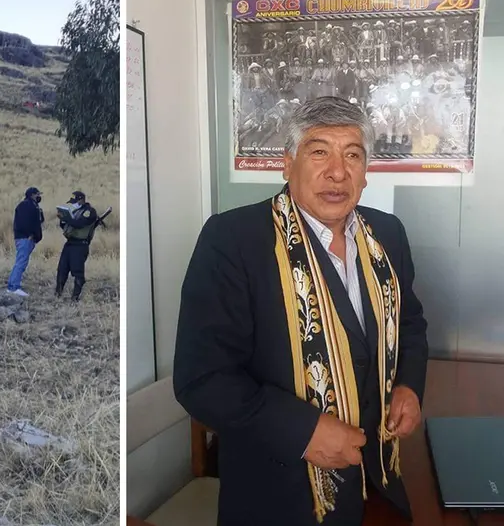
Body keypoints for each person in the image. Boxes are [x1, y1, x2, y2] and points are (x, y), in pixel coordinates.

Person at [173, 96, 429, 526]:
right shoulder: (233, 240)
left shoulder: (388, 234)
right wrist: (302, 431)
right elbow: (201, 378)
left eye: (352, 154)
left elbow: (411, 324)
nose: (337, 171)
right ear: (287, 164)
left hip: (380, 484)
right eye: (318, 151)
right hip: (281, 500)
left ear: (366, 172)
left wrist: (408, 385)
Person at [56, 190, 99, 301]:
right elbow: (68, 226)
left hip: (80, 246)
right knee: (62, 268)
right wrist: (62, 220)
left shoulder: (89, 212)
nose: (74, 204)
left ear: (82, 199)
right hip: (70, 243)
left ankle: (75, 297)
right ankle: (58, 293)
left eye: (75, 201)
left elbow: (79, 224)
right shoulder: (76, 211)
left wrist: (66, 218)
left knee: (77, 271)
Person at [7, 186, 44, 296]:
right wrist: (30, 235)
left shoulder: (33, 206)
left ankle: (12, 285)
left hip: (26, 238)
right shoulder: (26, 206)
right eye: (37, 194)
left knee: (22, 261)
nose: (39, 196)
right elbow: (24, 223)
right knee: (21, 262)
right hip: (25, 238)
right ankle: (13, 287)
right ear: (32, 195)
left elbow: (39, 220)